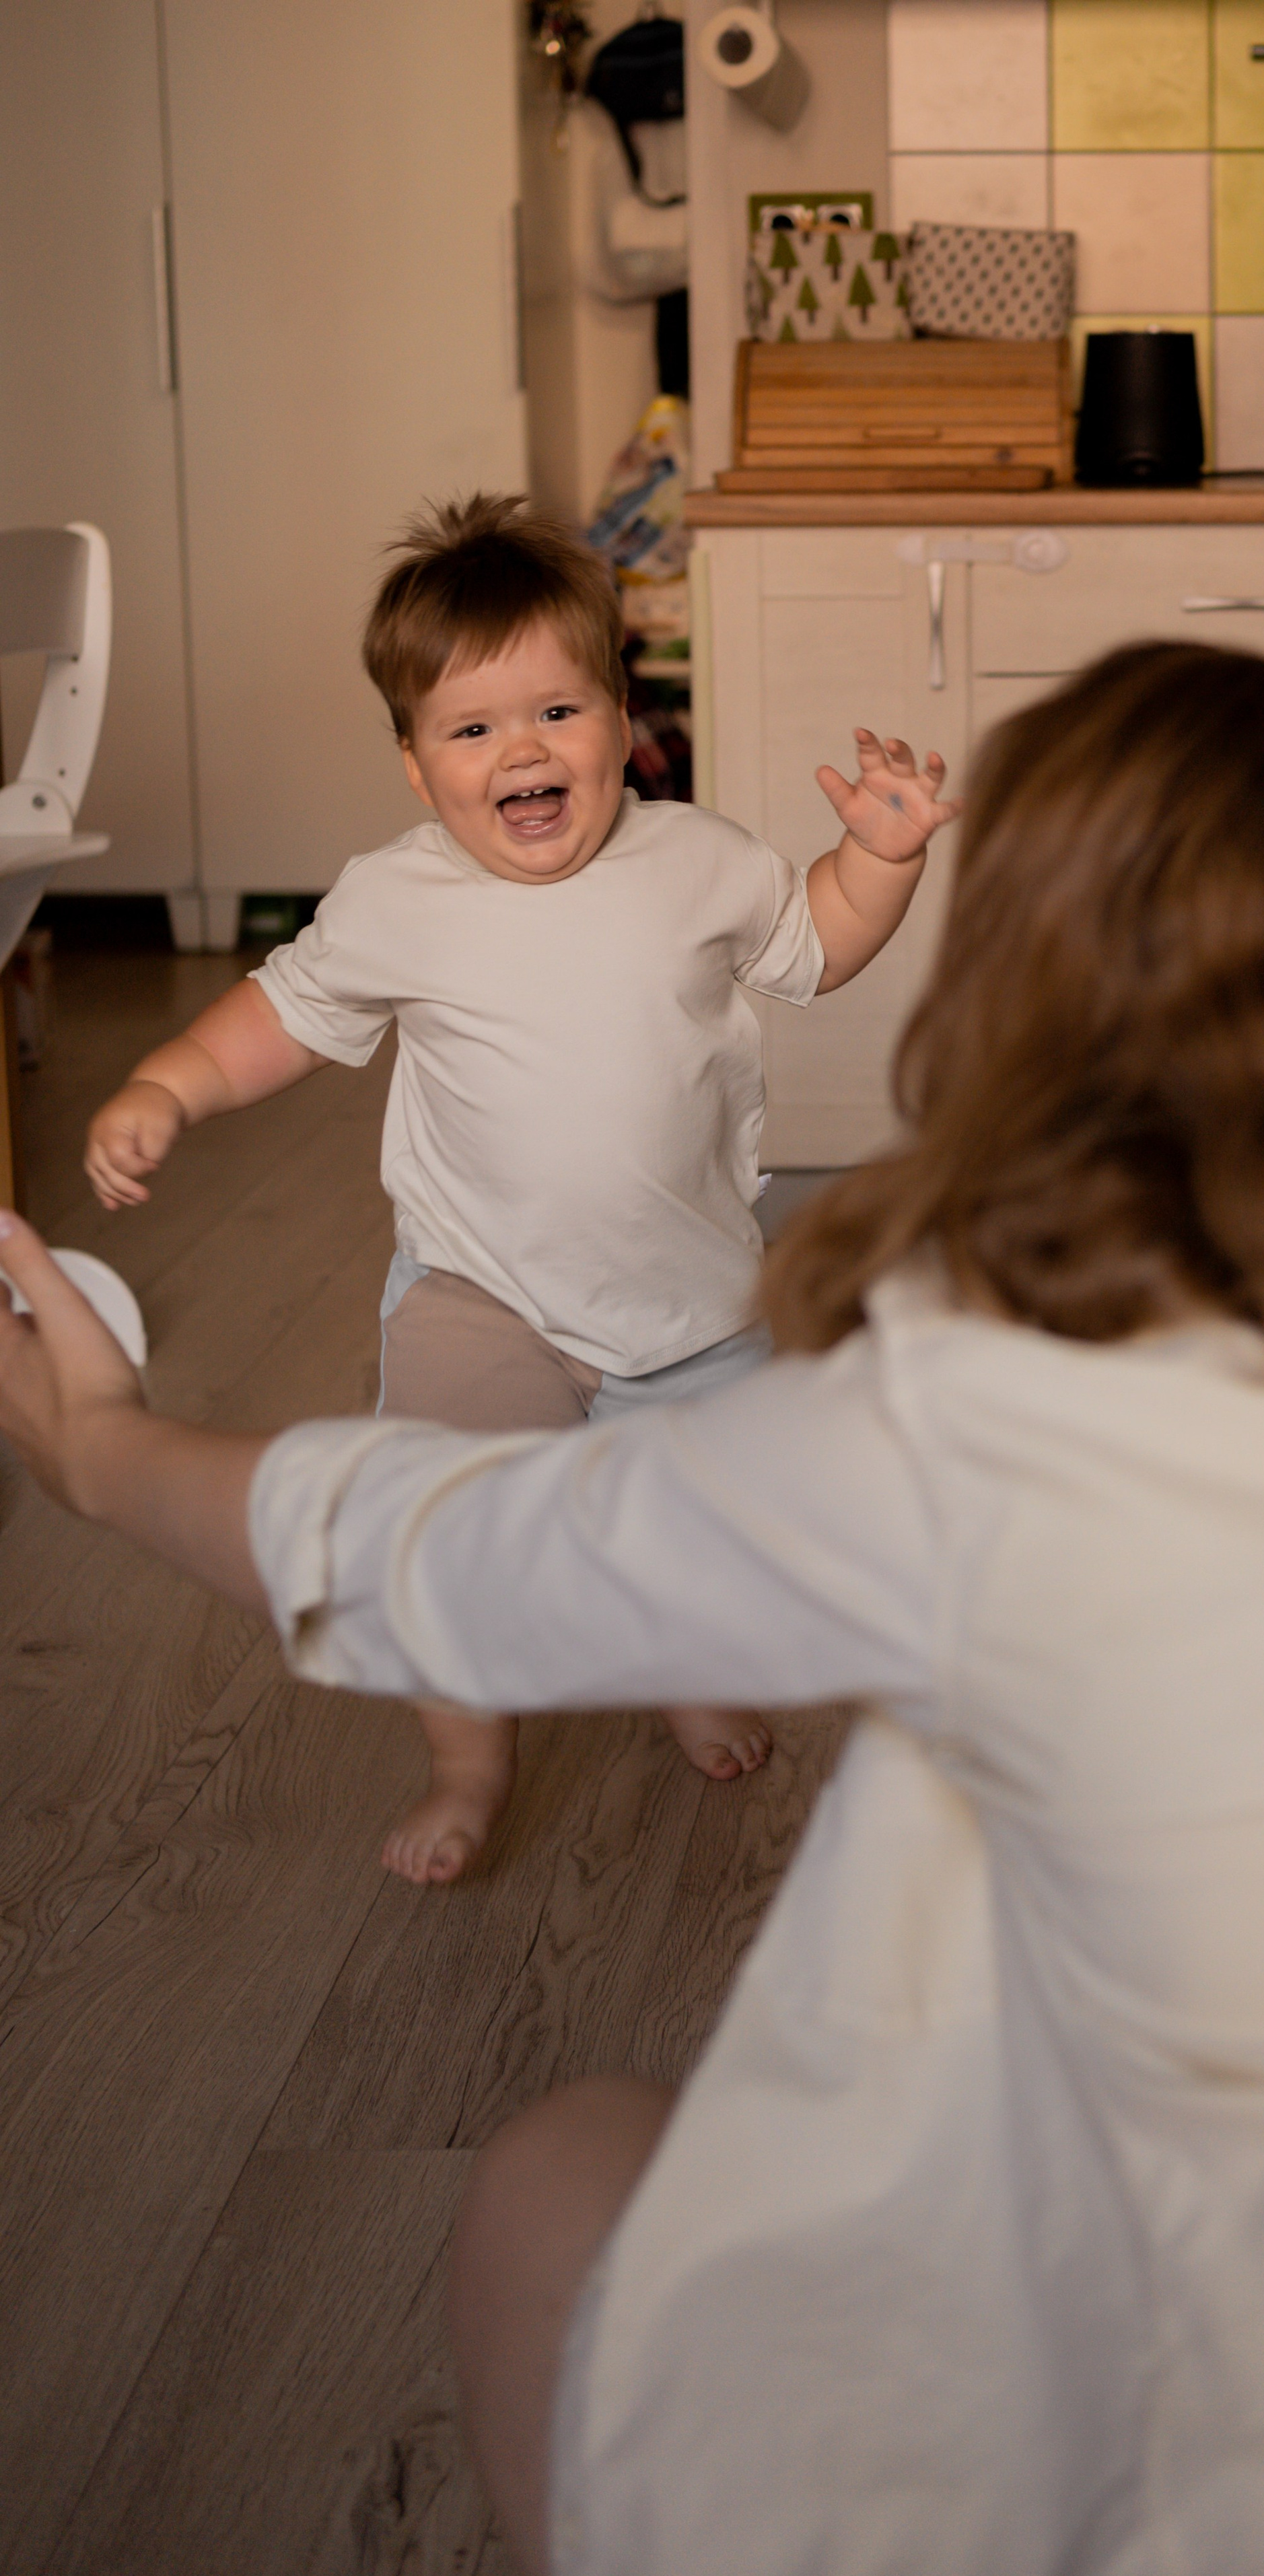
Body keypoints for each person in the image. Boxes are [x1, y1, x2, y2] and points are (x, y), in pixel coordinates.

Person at [8, 641, 1264, 2576]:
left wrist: (107, 1451)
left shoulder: (987, 1422)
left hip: (1192, 2476)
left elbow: (465, 1558)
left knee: (561, 2174)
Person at [80, 492, 956, 1884]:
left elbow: (816, 946)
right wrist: (169, 1085)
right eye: (471, 730)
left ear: (622, 718)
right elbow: (283, 1018)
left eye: (557, 712)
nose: (521, 753)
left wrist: (882, 857)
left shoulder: (698, 859)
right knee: (449, 1537)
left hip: (689, 1297)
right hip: (477, 1293)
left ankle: (686, 1665)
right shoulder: (394, 897)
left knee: (704, 1537)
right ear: (417, 767)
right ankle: (466, 1765)